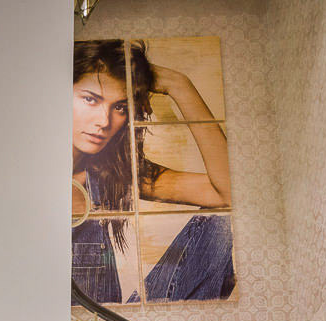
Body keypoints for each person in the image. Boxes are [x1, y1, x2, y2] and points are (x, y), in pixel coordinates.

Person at [72, 39, 235, 303]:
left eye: (119, 107)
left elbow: (228, 193)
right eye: (90, 99)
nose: (104, 121)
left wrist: (178, 85)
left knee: (220, 224)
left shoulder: (109, 175)